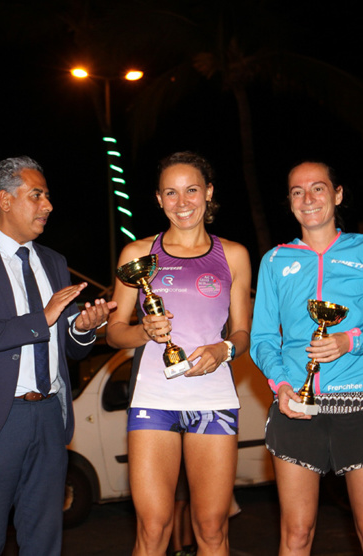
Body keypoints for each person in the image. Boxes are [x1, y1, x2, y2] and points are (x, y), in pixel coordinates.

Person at [0, 156, 114, 556]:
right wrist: (43, 317)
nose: (48, 205)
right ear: (4, 200)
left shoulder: (53, 261)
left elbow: (67, 345)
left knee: (44, 539)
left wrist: (83, 329)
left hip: (50, 416)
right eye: (37, 195)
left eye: (48, 196)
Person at [250, 161, 363, 556]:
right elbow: (262, 339)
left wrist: (351, 340)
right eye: (297, 191)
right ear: (289, 202)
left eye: (318, 188)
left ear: (337, 195)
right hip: (297, 410)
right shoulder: (275, 261)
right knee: (296, 536)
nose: (308, 198)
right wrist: (281, 384)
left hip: (361, 406)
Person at [106, 152, 252, 556]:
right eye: (171, 192)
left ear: (208, 193)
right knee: (153, 531)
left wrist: (223, 350)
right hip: (154, 400)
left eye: (191, 190)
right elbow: (114, 334)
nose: (182, 201)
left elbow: (243, 333)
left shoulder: (234, 255)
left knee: (210, 531)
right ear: (158, 199)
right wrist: (143, 332)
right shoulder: (136, 253)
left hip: (214, 400)